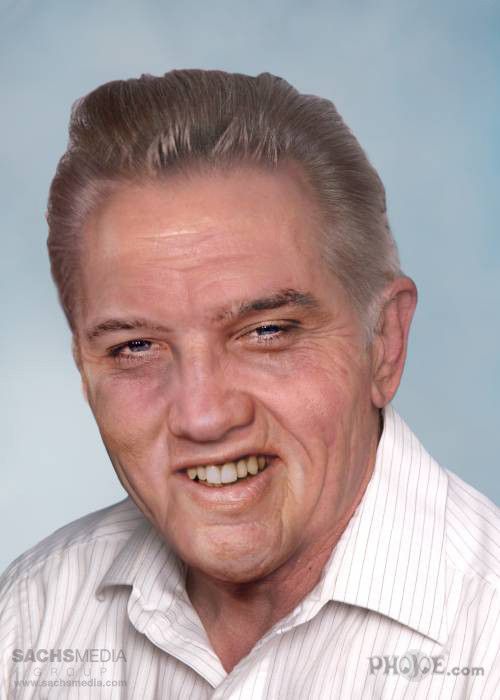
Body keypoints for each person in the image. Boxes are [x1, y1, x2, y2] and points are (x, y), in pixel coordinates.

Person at [1, 70, 498, 699]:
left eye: (265, 332)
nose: (204, 417)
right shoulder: (31, 614)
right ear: (84, 367)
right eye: (135, 346)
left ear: (385, 343)